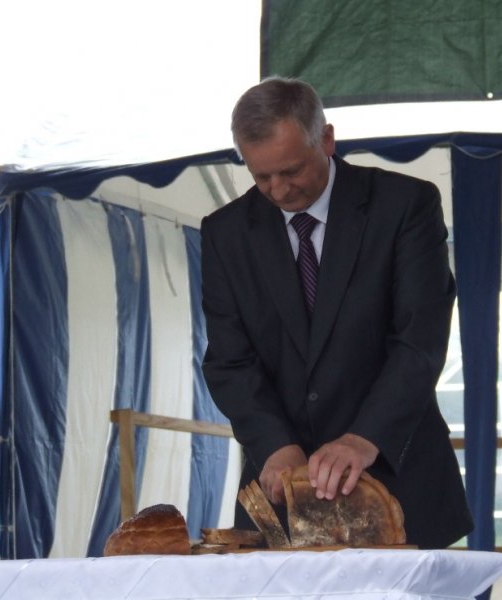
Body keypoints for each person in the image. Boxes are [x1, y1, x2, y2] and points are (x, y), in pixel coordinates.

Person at [200, 77, 473, 549]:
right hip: (281, 498)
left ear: (326, 139)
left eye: (291, 170)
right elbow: (230, 360)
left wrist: (364, 437)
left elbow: (419, 339)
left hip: (401, 480)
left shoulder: (405, 206)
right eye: (261, 177)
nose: (278, 190)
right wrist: (274, 443)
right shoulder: (224, 234)